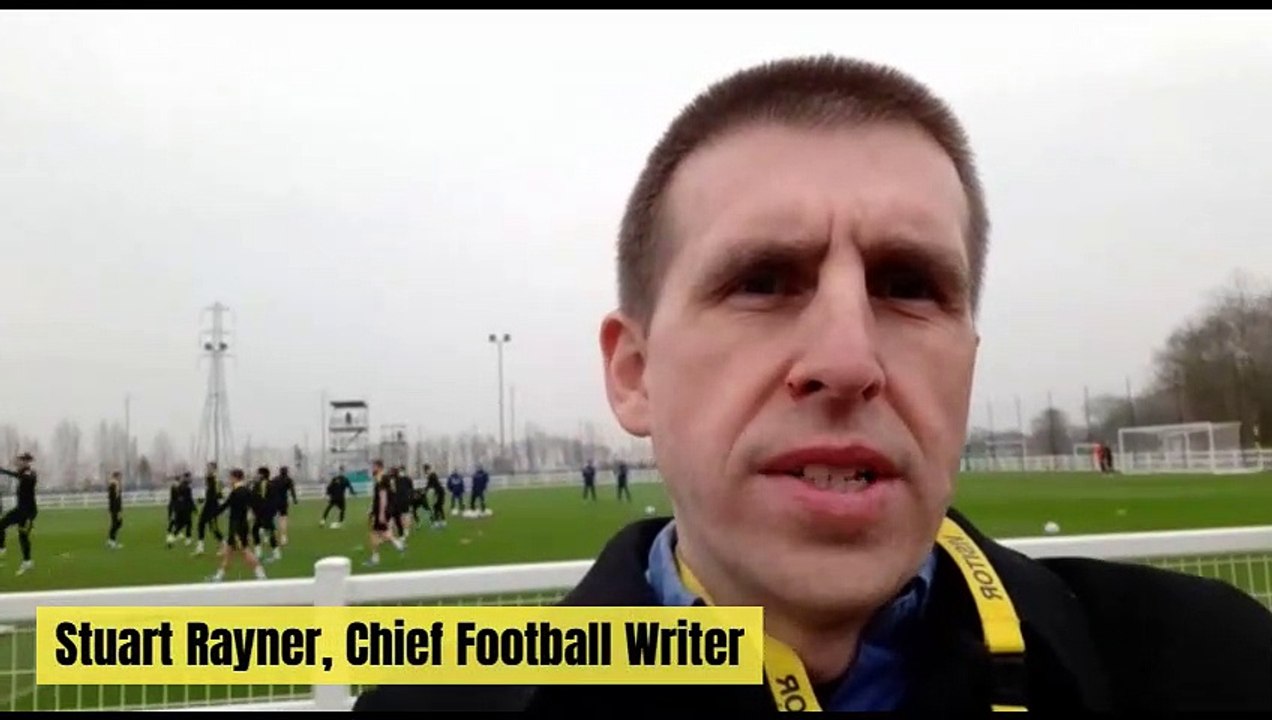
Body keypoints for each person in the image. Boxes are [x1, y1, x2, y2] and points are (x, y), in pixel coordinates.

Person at [353, 55, 1272, 712]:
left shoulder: (1218, 667)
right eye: (762, 281)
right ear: (634, 376)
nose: (848, 360)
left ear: (968, 368)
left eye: (909, 287)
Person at [207, 468, 266, 582]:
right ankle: (218, 577)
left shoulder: (236, 492)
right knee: (229, 553)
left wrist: (212, 513)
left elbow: (225, 505)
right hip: (242, 524)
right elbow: (255, 506)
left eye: (231, 478)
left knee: (245, 551)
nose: (230, 480)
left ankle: (261, 574)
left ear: (235, 478)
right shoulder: (246, 491)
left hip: (236, 527)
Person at [0, 452, 38, 575]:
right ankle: (26, 561)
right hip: (21, 510)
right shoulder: (22, 474)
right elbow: (16, 474)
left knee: (22, 536)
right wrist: (3, 471)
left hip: (27, 512)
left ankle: (25, 561)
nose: (17, 462)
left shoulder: (30, 473)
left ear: (26, 462)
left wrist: (8, 472)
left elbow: (29, 478)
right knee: (19, 534)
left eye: (20, 460)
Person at [194, 462, 224, 555]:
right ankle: (200, 547)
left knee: (213, 528)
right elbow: (209, 494)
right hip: (208, 505)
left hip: (213, 506)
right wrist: (203, 499)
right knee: (201, 524)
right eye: (207, 468)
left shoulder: (216, 480)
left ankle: (224, 545)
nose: (207, 469)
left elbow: (219, 495)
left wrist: (215, 499)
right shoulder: (209, 479)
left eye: (209, 468)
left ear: (214, 469)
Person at [106, 470, 124, 549]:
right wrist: (117, 509)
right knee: (115, 523)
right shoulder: (113, 485)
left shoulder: (116, 485)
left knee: (118, 523)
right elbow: (113, 498)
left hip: (116, 508)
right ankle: (112, 541)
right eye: (119, 476)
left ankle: (111, 540)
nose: (121, 478)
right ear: (116, 476)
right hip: (114, 508)